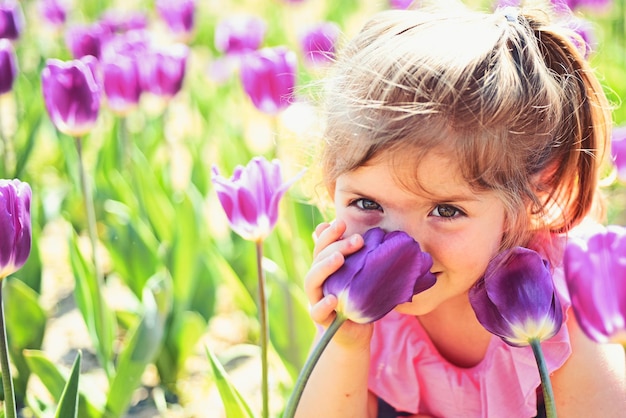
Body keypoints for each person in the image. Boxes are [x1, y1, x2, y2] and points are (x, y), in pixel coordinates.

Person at [298, 2, 626, 417]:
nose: (401, 244)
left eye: (446, 210)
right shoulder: (369, 291)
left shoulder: (557, 307)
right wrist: (343, 343)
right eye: (366, 203)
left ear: (534, 196)